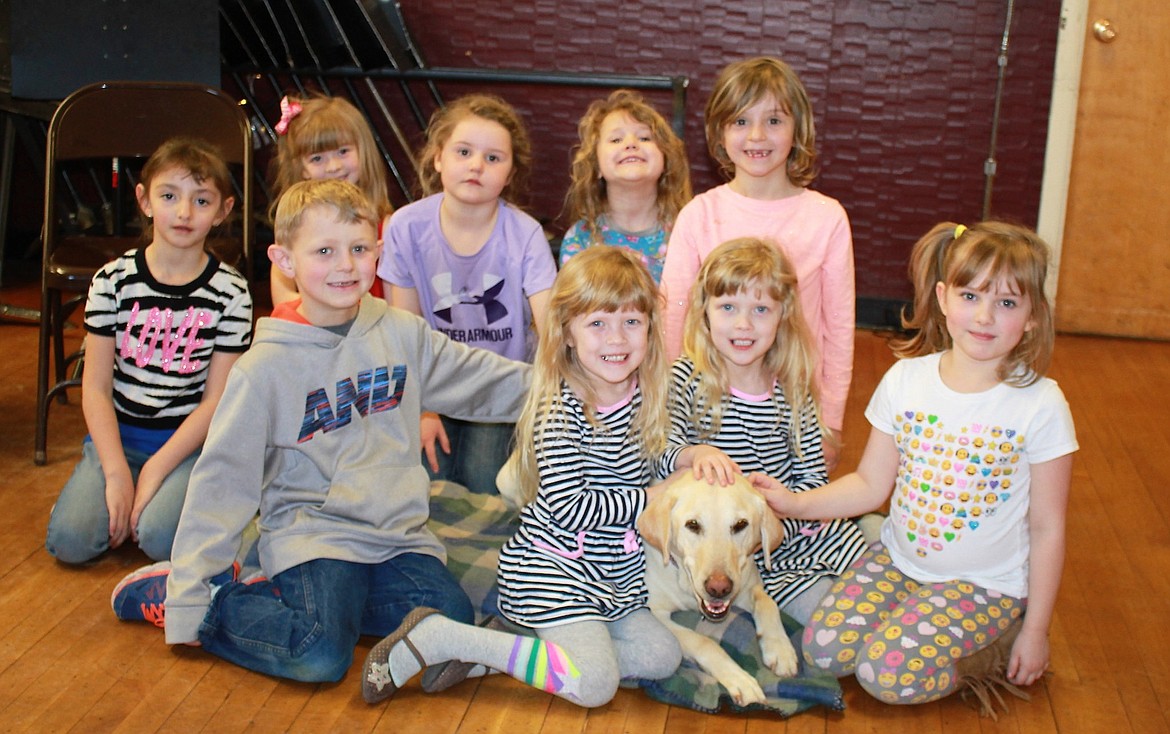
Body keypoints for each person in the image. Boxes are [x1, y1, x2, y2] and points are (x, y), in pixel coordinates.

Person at [109, 179, 532, 686]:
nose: (346, 266)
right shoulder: (263, 370)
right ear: (284, 261)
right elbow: (223, 484)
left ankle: (318, 609)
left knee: (453, 625)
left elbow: (483, 380)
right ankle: (217, 601)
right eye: (325, 251)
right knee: (319, 656)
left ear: (377, 250)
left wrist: (577, 387)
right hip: (316, 540)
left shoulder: (401, 331)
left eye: (358, 249)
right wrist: (189, 595)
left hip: (398, 538)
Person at [753, 222, 1077, 705]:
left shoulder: (1041, 404)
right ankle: (916, 615)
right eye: (970, 296)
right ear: (944, 298)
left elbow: (1048, 528)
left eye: (1007, 303)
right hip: (899, 563)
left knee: (887, 677)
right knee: (822, 652)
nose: (985, 316)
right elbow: (868, 484)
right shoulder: (906, 380)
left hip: (984, 585)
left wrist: (1037, 630)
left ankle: (995, 646)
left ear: (1032, 316)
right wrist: (794, 503)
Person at [361, 245, 682, 708]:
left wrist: (685, 457)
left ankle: (499, 650)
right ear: (567, 333)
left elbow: (652, 455)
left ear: (650, 328)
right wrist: (650, 500)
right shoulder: (557, 411)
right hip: (554, 572)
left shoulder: (641, 393)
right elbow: (571, 508)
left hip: (614, 577)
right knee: (594, 686)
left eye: (631, 321)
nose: (617, 339)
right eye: (597, 323)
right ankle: (440, 637)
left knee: (661, 655)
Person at [44, 137, 252, 566]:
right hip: (118, 437)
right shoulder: (111, 281)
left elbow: (216, 401)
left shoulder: (231, 292)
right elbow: (97, 388)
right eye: (169, 195)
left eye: (201, 200)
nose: (183, 212)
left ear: (223, 212)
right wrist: (116, 471)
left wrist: (157, 468)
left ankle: (178, 494)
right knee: (70, 542)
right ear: (144, 200)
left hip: (186, 445)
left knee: (158, 539)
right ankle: (114, 491)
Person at [656, 238, 867, 625]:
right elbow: (659, 455)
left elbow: (813, 477)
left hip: (800, 529)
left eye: (760, 310)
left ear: (782, 315)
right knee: (831, 616)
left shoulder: (791, 387)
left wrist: (789, 502)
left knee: (875, 576)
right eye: (728, 307)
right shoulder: (686, 379)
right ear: (704, 313)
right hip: (759, 558)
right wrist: (694, 454)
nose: (743, 324)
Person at [659, 56, 855, 470]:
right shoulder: (699, 213)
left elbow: (837, 328)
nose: (757, 136)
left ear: (798, 129)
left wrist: (831, 421)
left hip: (794, 418)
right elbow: (673, 317)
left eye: (774, 121)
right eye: (740, 121)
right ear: (720, 132)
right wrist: (664, 408)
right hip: (706, 412)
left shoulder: (827, 217)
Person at [379, 94, 557, 493]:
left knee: (484, 483)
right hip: (433, 383)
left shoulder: (525, 233)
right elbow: (404, 333)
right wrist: (422, 408)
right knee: (428, 482)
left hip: (501, 382)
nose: (477, 165)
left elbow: (551, 328)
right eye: (464, 152)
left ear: (510, 174)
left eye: (494, 158)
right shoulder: (406, 227)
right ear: (439, 158)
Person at [268, 93, 393, 305]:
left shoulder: (388, 226)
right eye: (317, 158)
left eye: (343, 151)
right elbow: (283, 299)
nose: (334, 166)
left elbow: (396, 306)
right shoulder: (297, 227)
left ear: (363, 152)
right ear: (301, 168)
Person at [558, 89, 691, 283]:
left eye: (644, 138)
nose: (630, 144)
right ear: (596, 166)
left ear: (666, 160)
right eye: (616, 139)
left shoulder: (687, 233)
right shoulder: (580, 239)